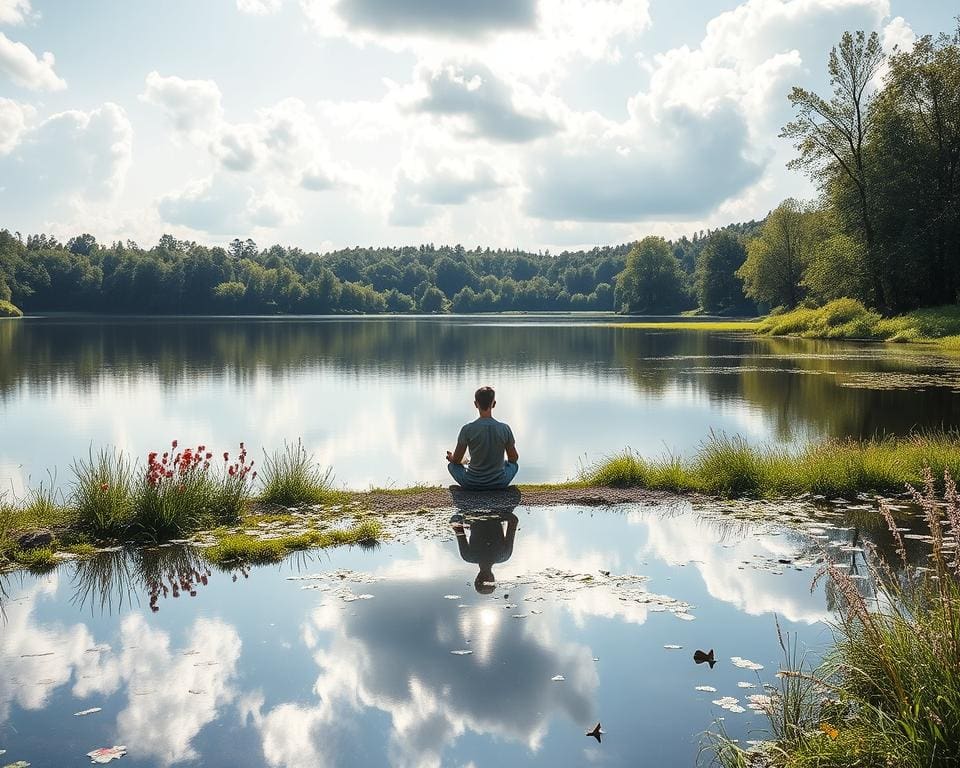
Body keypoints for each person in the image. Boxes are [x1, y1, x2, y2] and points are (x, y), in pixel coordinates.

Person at [446, 386, 519, 490]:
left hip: (471, 483)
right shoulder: (504, 428)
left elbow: (457, 461)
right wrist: (503, 463)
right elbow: (514, 458)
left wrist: (451, 458)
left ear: (476, 404)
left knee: (452, 466)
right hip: (500, 483)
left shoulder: (467, 429)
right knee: (513, 465)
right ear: (494, 404)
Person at [451, 509, 519, 594]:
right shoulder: (468, 556)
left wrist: (498, 514)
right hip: (480, 508)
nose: (486, 577)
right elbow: (456, 524)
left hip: (494, 508)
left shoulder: (504, 556)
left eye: (485, 580)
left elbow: (513, 521)